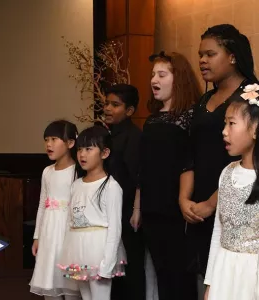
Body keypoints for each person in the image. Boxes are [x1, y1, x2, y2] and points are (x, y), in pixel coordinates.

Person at [179, 24, 258, 296]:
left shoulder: (252, 97)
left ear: (232, 56)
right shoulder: (204, 100)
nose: (202, 60)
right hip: (197, 207)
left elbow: (251, 161)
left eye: (210, 54)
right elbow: (189, 152)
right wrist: (184, 198)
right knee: (208, 281)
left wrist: (213, 203)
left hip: (235, 203)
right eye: (200, 54)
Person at [131, 51, 201, 300]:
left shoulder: (192, 117)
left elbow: (191, 164)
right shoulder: (151, 121)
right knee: (161, 275)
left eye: (162, 74)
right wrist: (137, 208)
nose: (154, 80)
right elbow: (143, 168)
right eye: (152, 75)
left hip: (177, 212)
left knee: (180, 278)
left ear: (178, 79)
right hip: (151, 210)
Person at [204, 83, 259, 300]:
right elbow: (218, 232)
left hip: (252, 276)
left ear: (255, 128)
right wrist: (210, 284)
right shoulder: (227, 173)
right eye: (224, 123)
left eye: (232, 123)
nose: (224, 131)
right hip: (224, 273)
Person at [58, 126, 126, 300]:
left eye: (89, 149)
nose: (82, 154)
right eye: (80, 149)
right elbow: (69, 222)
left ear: (104, 153)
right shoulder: (76, 185)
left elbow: (115, 229)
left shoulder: (111, 186)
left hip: (98, 252)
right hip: (78, 251)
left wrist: (107, 264)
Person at [29, 120, 81, 299]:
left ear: (70, 143)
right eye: (46, 140)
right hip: (49, 233)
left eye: (54, 139)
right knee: (49, 280)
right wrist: (37, 236)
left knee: (71, 284)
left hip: (67, 232)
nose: (48, 144)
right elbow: (43, 204)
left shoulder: (77, 171)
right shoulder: (47, 172)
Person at [103, 84, 145, 300]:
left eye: (115, 105)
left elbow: (135, 178)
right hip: (110, 212)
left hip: (126, 213)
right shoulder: (107, 136)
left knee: (130, 268)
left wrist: (133, 210)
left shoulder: (133, 137)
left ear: (129, 111)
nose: (108, 108)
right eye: (107, 103)